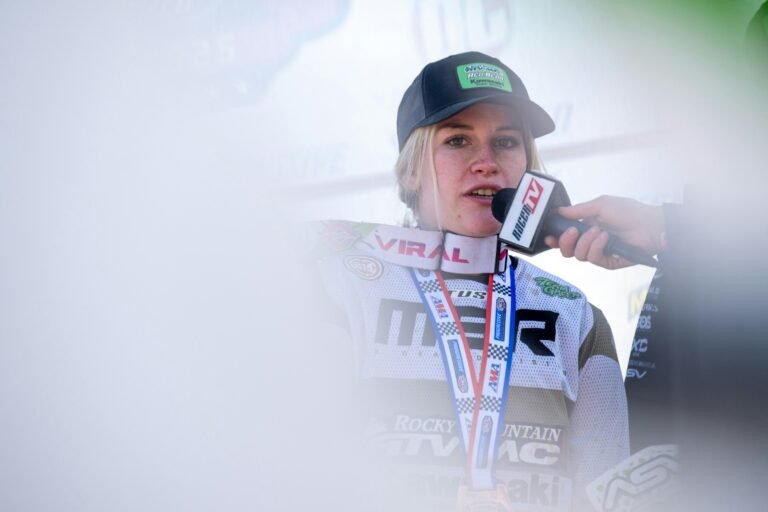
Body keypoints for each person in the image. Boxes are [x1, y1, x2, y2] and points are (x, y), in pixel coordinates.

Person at [315, 51, 629, 512]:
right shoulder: (342, 292)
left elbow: (609, 497)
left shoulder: (574, 317)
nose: (486, 162)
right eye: (458, 140)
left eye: (506, 142)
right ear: (412, 169)